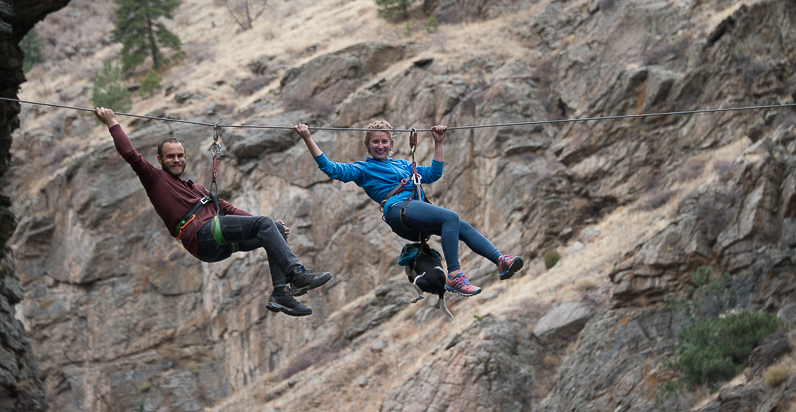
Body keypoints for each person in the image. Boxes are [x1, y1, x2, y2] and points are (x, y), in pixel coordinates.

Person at [95, 107, 331, 317]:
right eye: (170, 157)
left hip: (217, 243)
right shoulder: (155, 180)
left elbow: (228, 208)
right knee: (266, 225)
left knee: (274, 228)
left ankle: (281, 293)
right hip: (201, 235)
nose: (176, 160)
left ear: (185, 158)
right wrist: (112, 122)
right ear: (160, 160)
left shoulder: (196, 188)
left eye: (180, 156)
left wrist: (270, 227)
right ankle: (297, 274)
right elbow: (130, 155)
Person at [294, 120, 523, 296]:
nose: (380, 146)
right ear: (368, 145)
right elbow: (332, 169)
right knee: (449, 217)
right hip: (397, 210)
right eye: (375, 142)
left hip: (413, 210)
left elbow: (433, 174)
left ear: (391, 144)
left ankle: (500, 260)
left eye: (384, 142)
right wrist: (307, 138)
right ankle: (454, 276)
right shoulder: (362, 169)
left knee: (459, 224)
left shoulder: (404, 164)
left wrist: (438, 143)